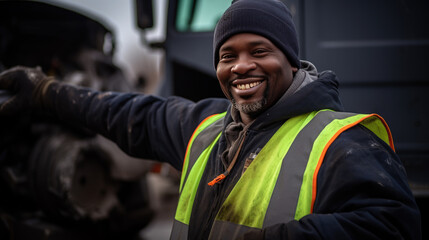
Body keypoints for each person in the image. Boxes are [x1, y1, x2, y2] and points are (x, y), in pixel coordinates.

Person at [0, 0, 421, 239]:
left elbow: (393, 226)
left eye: (259, 52)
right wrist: (45, 93)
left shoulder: (341, 142)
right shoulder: (206, 127)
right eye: (227, 56)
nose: (240, 67)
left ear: (291, 62)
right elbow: (127, 113)